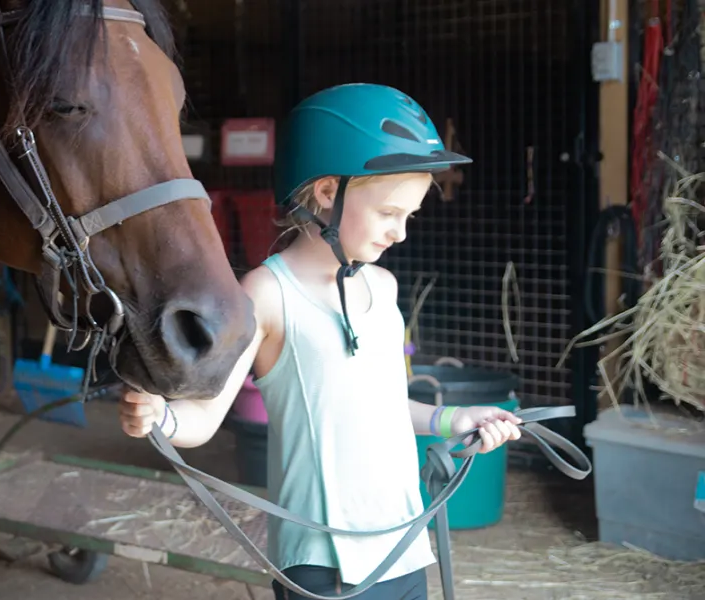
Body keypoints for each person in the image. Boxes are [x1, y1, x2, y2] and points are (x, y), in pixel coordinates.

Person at [119, 83, 524, 600]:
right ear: (328, 191)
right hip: (326, 565)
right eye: (388, 214)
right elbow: (204, 418)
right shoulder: (267, 293)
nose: (400, 233)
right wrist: (159, 417)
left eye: (409, 216)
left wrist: (455, 420)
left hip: (404, 546)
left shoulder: (383, 286)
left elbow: (381, 406)